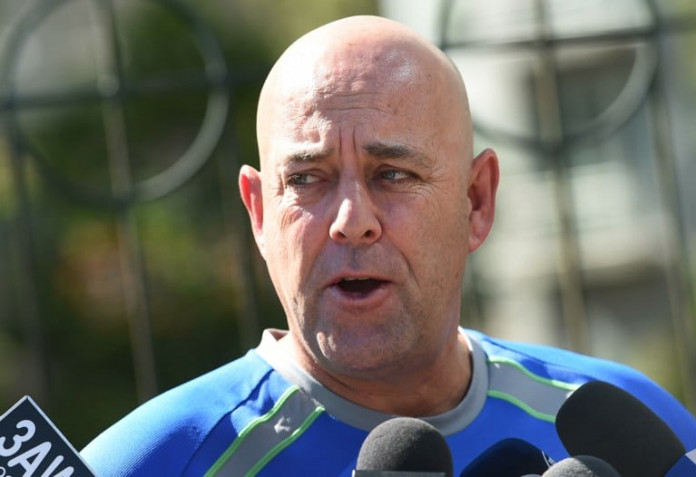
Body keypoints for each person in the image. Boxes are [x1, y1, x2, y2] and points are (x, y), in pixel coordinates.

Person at [81, 15, 696, 476]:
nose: (352, 221)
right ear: (261, 212)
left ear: (476, 200)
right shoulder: (146, 461)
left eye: (393, 175)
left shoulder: (635, 428)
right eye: (306, 179)